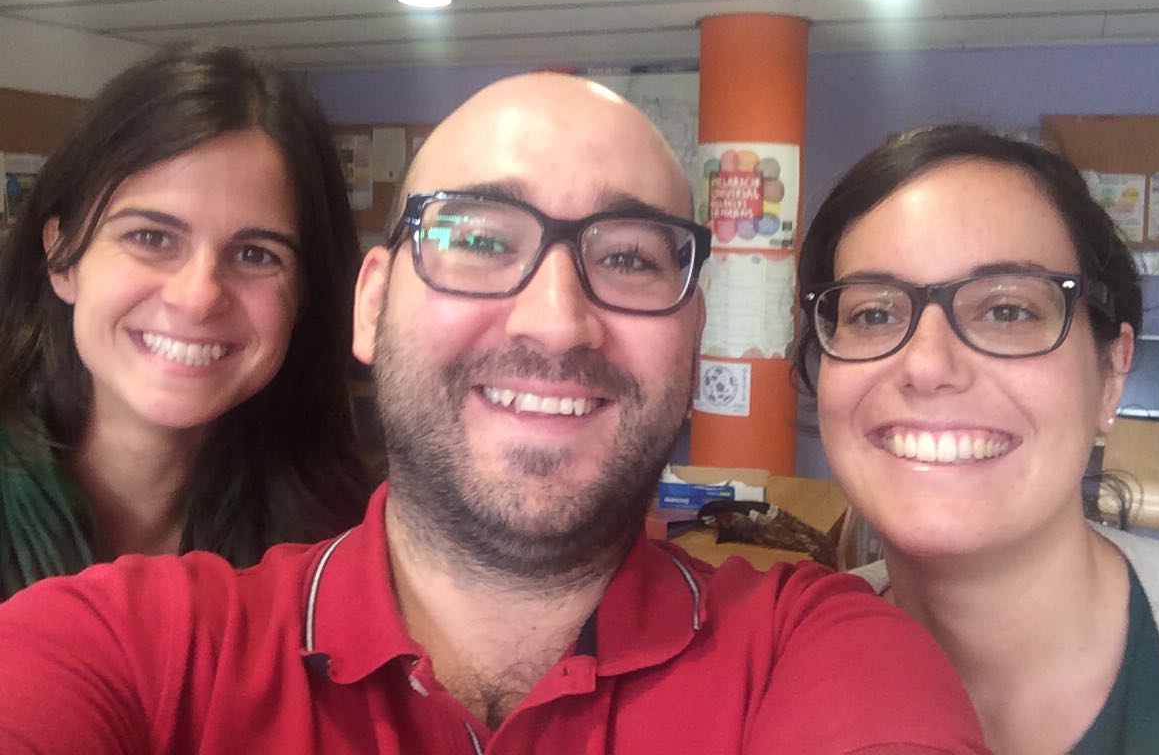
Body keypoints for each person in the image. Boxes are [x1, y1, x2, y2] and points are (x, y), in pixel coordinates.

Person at [0, 73, 989, 754]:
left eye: (628, 257)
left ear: (693, 331)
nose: (555, 320)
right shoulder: (132, 645)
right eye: (476, 240)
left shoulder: (814, 650)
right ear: (370, 303)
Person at [795, 124, 1159, 755]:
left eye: (1007, 311)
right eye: (874, 313)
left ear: (1111, 373)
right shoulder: (772, 672)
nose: (927, 365)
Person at [0, 44, 374, 598]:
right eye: (151, 238)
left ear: (305, 295)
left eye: (256, 254)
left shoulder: (346, 553)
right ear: (61, 257)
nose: (198, 298)